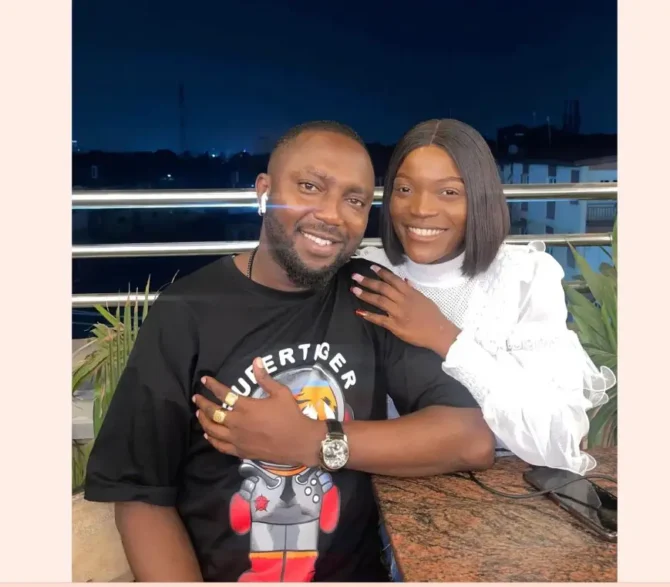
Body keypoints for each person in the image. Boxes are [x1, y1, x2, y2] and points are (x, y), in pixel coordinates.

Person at [84, 120, 494, 583]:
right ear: (264, 191)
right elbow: (140, 494)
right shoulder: (187, 311)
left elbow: (470, 437)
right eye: (310, 187)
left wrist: (312, 441)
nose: (332, 215)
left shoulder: (367, 295)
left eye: (355, 200)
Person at [353, 118, 616, 475]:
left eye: (449, 192)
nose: (420, 208)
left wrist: (444, 337)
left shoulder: (522, 278)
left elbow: (558, 437)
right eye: (404, 189)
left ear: (479, 199)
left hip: (500, 489)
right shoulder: (368, 273)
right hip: (384, 480)